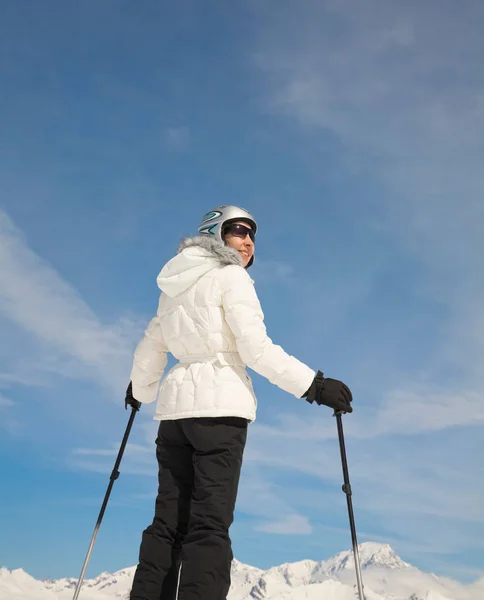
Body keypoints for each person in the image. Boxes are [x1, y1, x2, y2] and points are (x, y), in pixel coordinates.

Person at [126, 205, 353, 600]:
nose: (247, 242)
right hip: (220, 410)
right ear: (215, 234)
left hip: (175, 415)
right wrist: (315, 386)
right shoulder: (232, 278)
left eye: (251, 234)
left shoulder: (174, 286)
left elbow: (151, 346)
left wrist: (140, 389)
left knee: (167, 523)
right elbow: (255, 348)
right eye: (237, 231)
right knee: (209, 525)